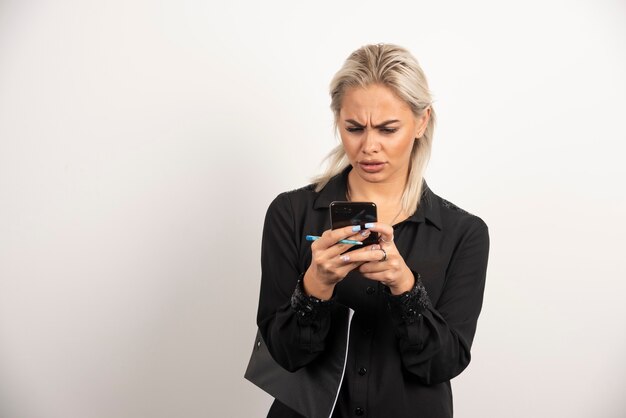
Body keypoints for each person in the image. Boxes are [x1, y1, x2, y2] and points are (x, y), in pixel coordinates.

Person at [255, 43, 490, 418]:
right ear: (337, 120)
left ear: (421, 122)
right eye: (353, 128)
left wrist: (406, 288)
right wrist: (315, 286)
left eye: (387, 129)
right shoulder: (291, 213)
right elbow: (284, 355)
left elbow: (444, 364)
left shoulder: (463, 232)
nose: (368, 147)